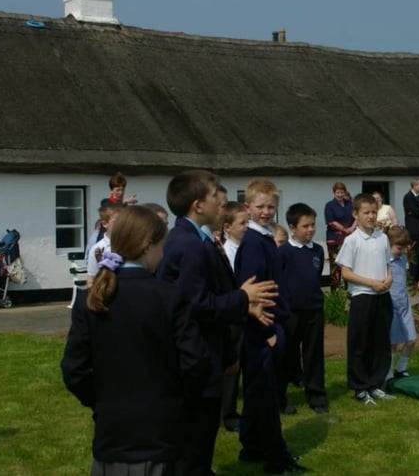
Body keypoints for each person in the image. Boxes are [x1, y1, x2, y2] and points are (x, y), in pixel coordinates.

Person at [61, 205, 209, 476]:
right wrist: (175, 401)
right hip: (160, 429)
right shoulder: (168, 296)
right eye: (161, 245)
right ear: (146, 247)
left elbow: (74, 370)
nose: (163, 253)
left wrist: (102, 402)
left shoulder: (91, 299)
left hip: (112, 428)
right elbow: (195, 362)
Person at [156, 169, 278, 476]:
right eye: (215, 198)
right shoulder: (188, 245)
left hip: (205, 352)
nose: (221, 204)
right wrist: (242, 297)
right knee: (195, 437)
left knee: (200, 439)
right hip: (195, 355)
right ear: (198, 205)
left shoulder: (197, 239)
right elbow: (195, 304)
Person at [234, 178, 306, 475]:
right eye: (260, 206)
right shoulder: (253, 243)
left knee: (255, 392)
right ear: (248, 207)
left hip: (269, 326)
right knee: (267, 395)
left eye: (271, 207)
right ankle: (277, 458)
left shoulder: (264, 239)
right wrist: (267, 333)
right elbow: (253, 293)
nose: (266, 212)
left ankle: (250, 446)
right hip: (263, 329)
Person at [337, 193, 394, 405]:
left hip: (383, 296)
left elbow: (388, 263)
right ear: (356, 214)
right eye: (366, 212)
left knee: (380, 343)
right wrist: (371, 283)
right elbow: (346, 272)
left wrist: (388, 278)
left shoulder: (383, 238)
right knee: (360, 344)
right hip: (363, 297)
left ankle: (375, 383)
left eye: (373, 212)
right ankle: (360, 387)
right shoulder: (352, 241)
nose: (370, 216)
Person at [278, 203, 329, 414]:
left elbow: (315, 277)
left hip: (313, 311)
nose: (310, 230)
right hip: (290, 313)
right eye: (305, 226)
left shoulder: (317, 249)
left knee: (313, 355)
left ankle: (316, 396)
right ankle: (281, 397)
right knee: (286, 355)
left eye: (313, 225)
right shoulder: (283, 253)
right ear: (292, 227)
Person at [218, 201, 249, 433]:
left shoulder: (246, 248)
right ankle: (226, 413)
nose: (246, 227)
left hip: (250, 311)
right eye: (242, 223)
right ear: (227, 227)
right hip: (235, 314)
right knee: (232, 365)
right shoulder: (226, 252)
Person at [386, 226, 417, 379]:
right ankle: (388, 372)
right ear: (389, 245)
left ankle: (401, 368)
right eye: (399, 248)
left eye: (405, 248)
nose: (403, 251)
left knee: (411, 339)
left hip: (404, 305)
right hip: (391, 306)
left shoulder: (403, 259)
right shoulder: (385, 262)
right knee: (392, 343)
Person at [324, 182, 355, 290]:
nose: (340, 194)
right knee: (336, 266)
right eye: (337, 192)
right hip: (335, 238)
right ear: (334, 193)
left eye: (342, 192)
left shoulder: (350, 204)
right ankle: (335, 293)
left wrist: (351, 228)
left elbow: (356, 216)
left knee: (349, 264)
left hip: (350, 237)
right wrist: (344, 229)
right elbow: (331, 221)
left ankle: (349, 290)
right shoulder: (330, 205)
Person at [86, 203, 122, 287]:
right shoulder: (98, 248)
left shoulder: (130, 244)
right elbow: (91, 279)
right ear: (105, 224)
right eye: (117, 221)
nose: (121, 225)